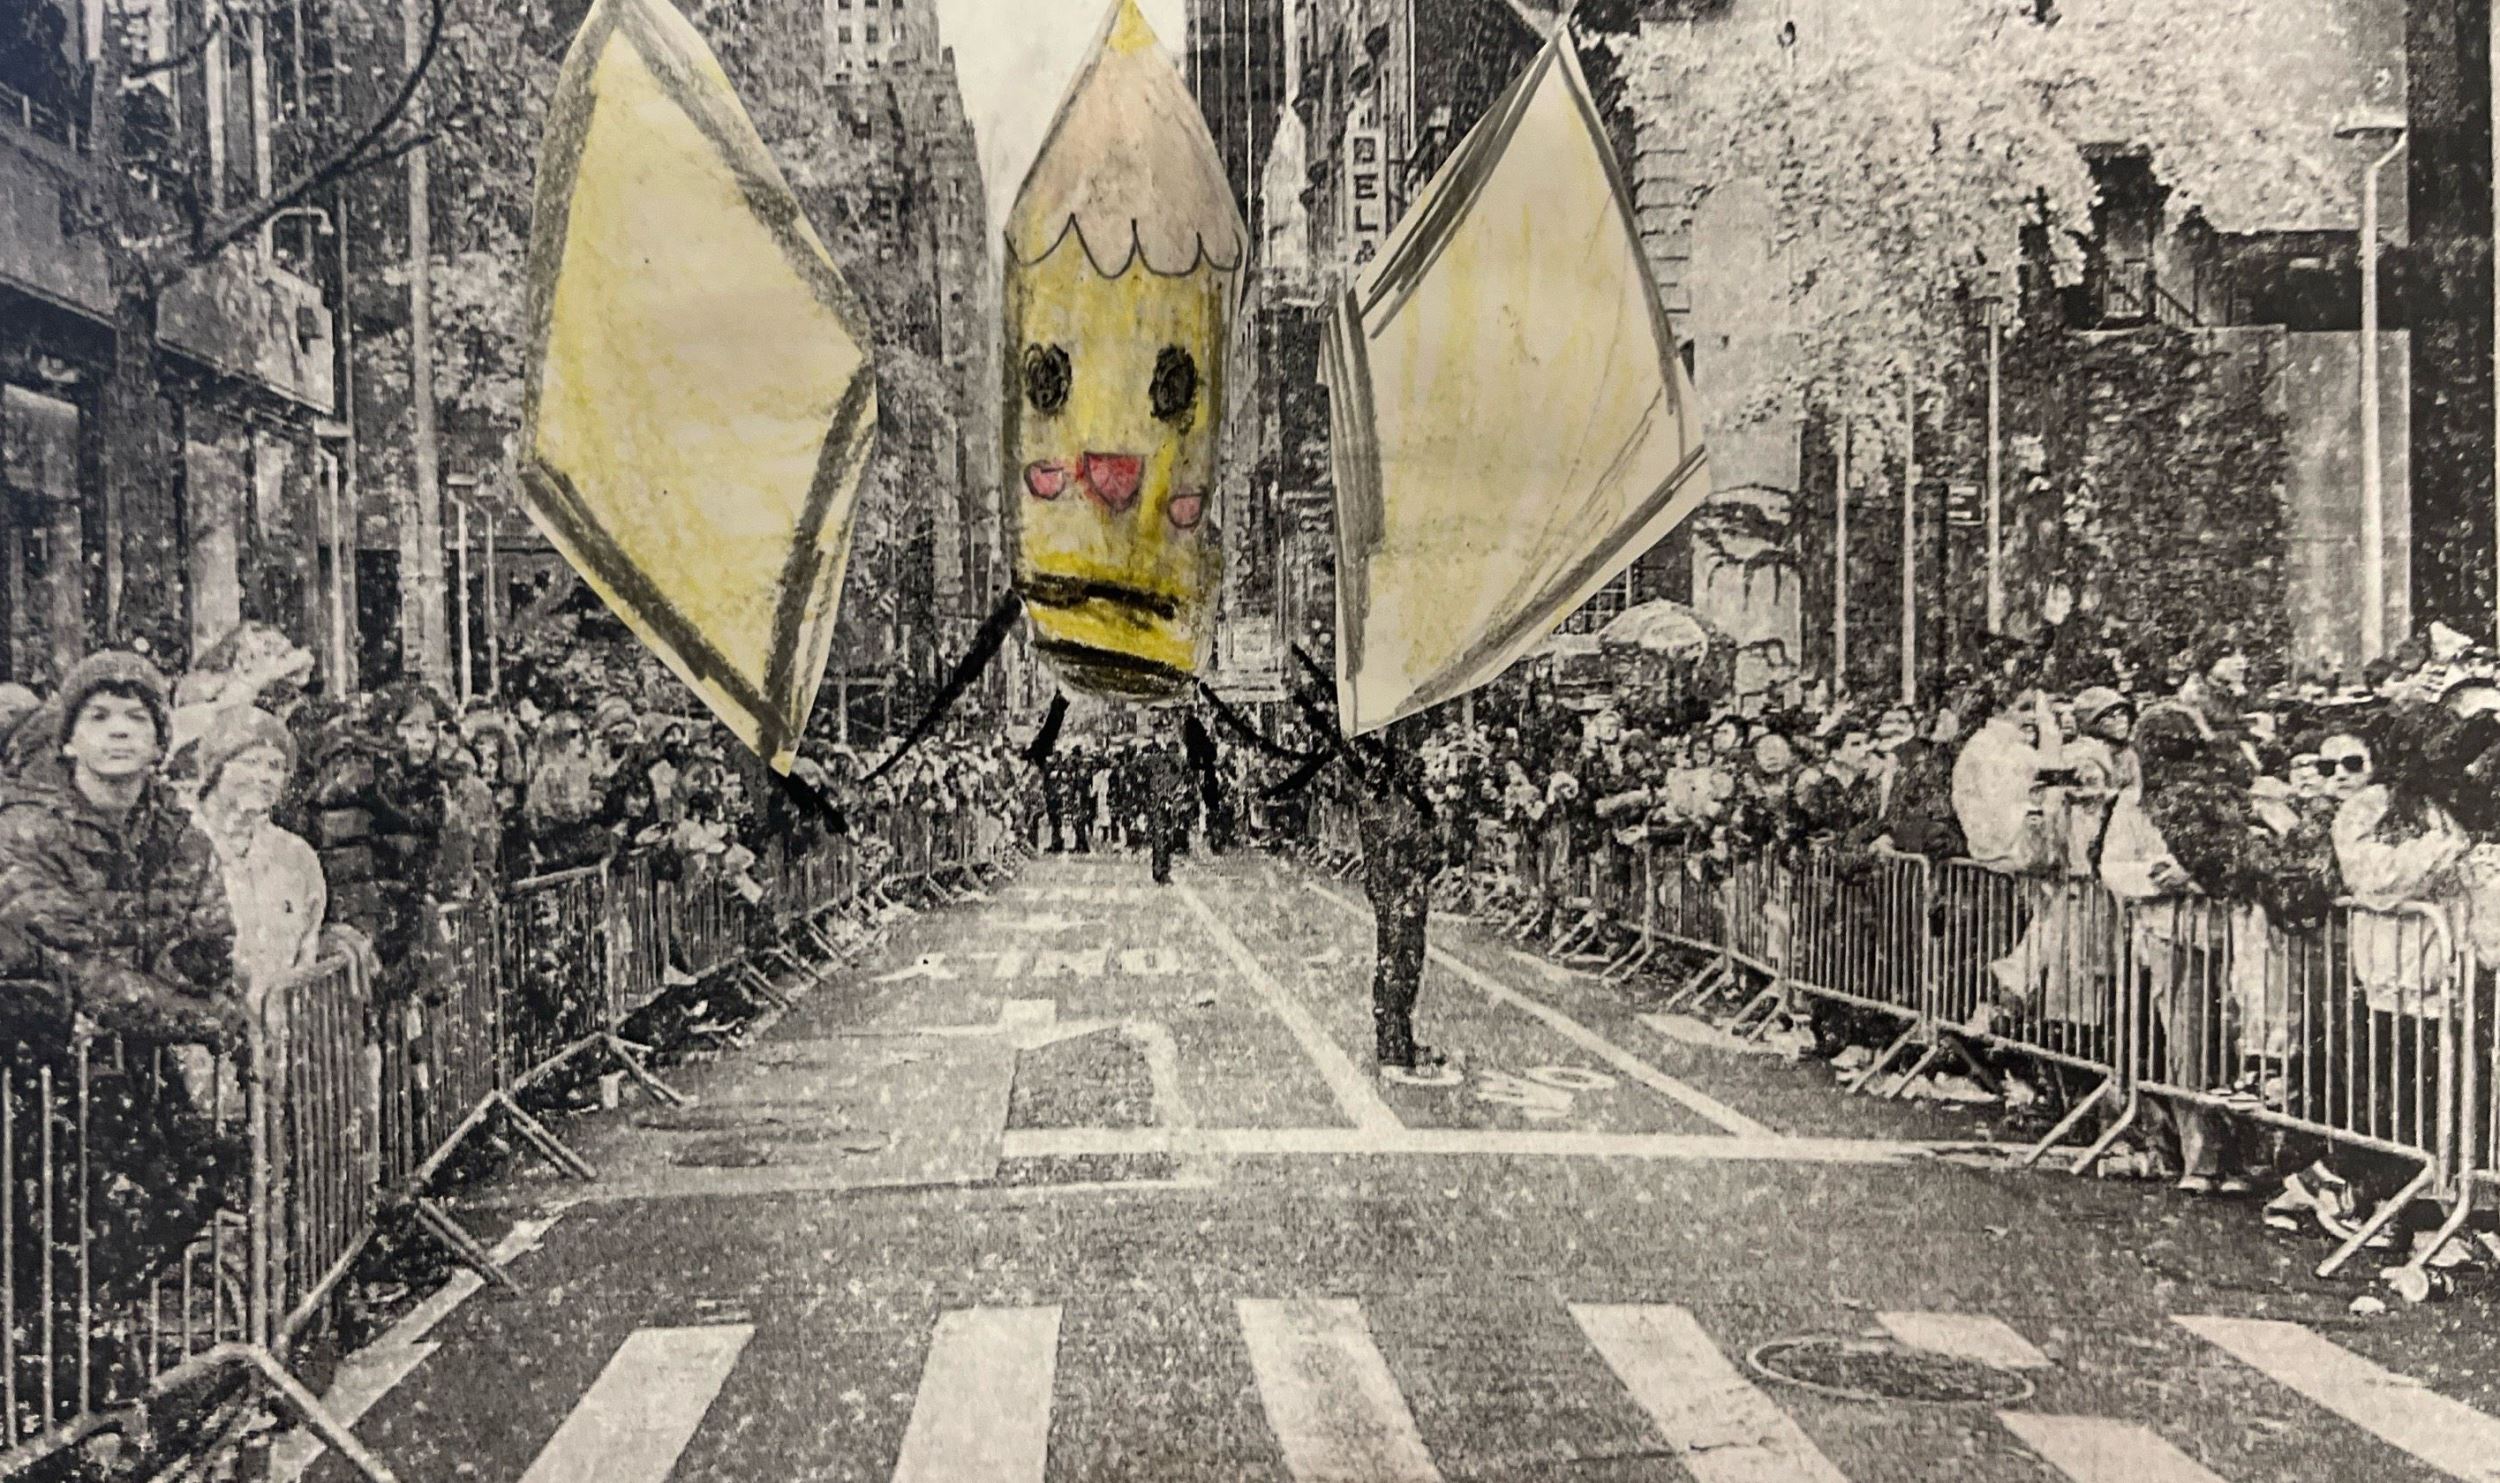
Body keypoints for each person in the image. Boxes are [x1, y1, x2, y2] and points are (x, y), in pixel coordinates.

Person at [0, 651, 248, 1307]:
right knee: (56, 1237)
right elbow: (75, 971)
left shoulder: (178, 833)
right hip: (45, 1077)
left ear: (160, 739)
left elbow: (208, 941)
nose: (118, 731)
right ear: (69, 739)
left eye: (136, 718)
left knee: (204, 1172)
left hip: (141, 1067)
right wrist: (197, 1014)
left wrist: (169, 986)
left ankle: (98, 1326)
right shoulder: (25, 830)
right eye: (99, 716)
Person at [1358, 721, 1449, 1078]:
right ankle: (1394, 1044)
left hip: (1401, 890)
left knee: (1401, 965)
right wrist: (1429, 827)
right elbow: (1408, 839)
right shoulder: (1387, 796)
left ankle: (1397, 1039)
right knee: (1398, 966)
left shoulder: (1387, 792)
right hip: (1398, 891)